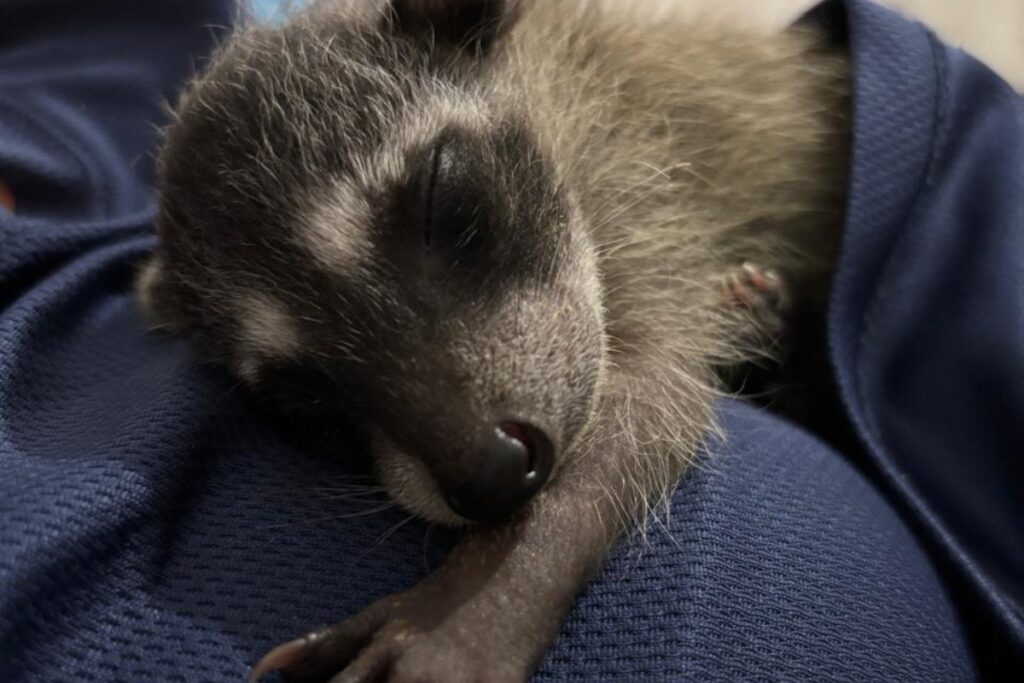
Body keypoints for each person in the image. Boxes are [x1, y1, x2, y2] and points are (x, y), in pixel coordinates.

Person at [1, 0, 1019, 680]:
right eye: (314, 392)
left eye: (450, 212)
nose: (463, 454)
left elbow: (654, 378)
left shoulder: (539, 87)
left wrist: (484, 611)